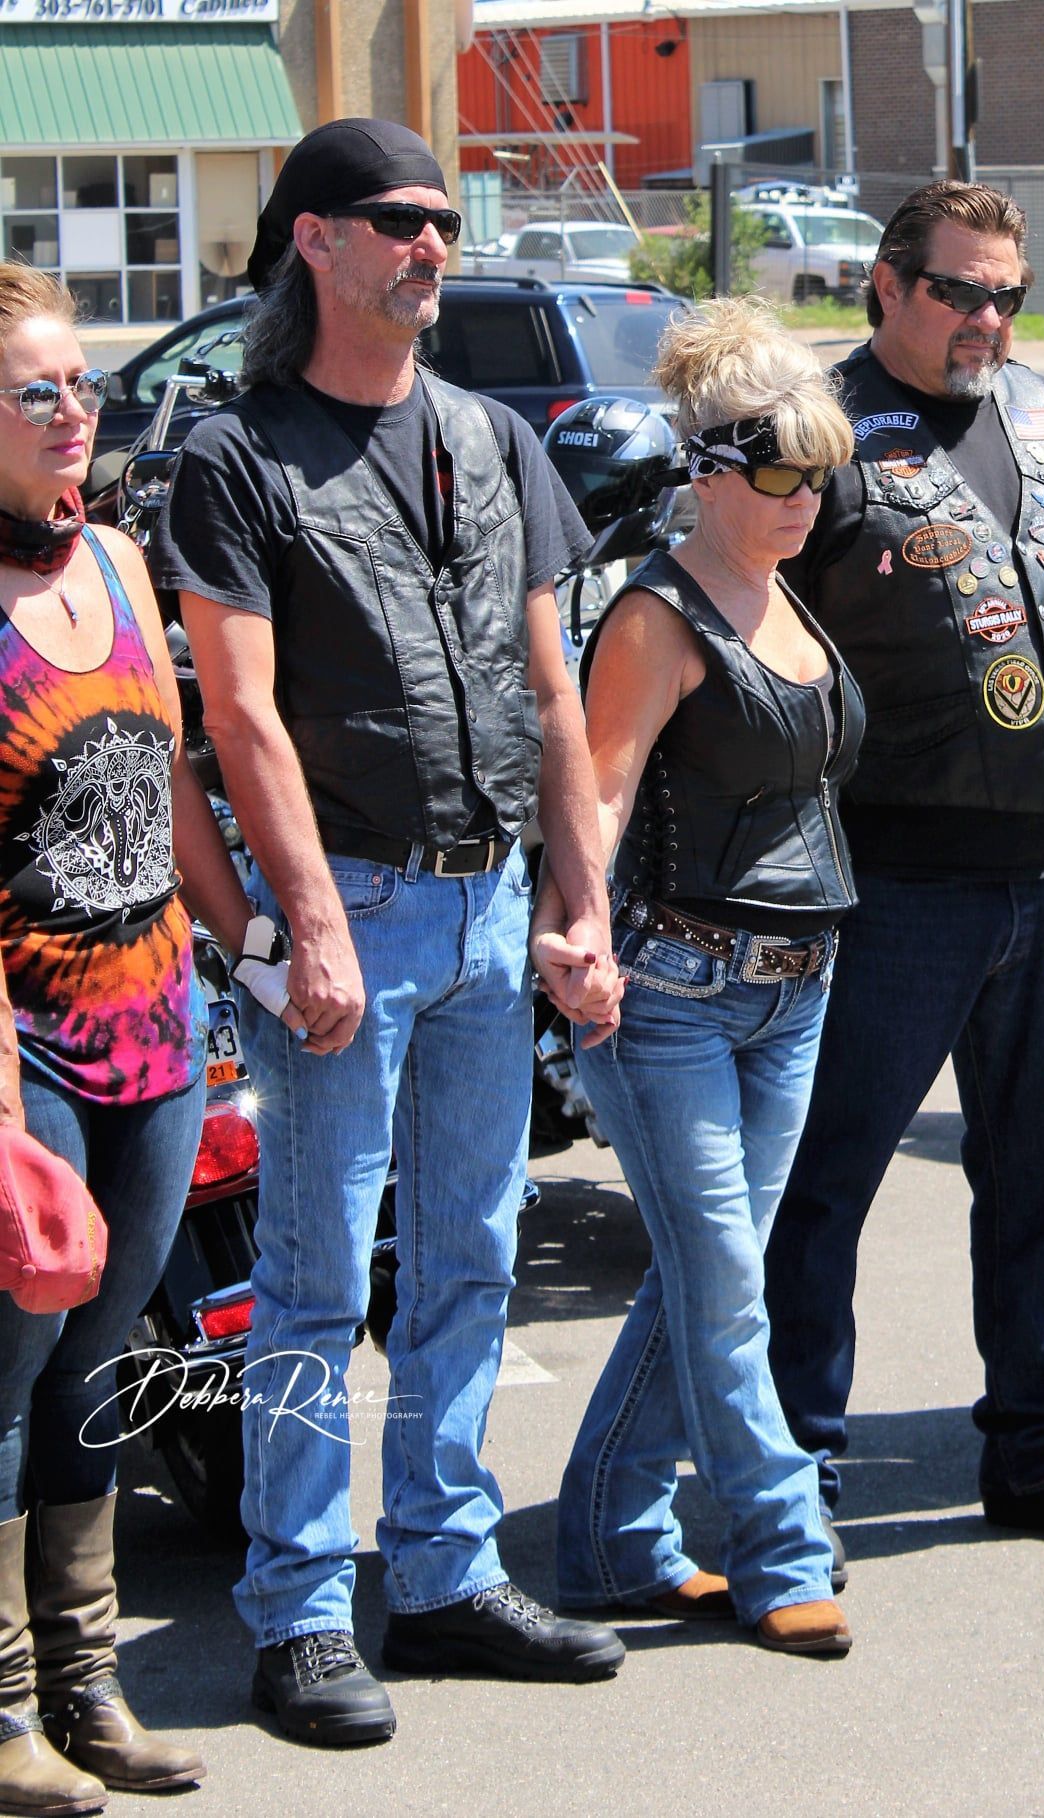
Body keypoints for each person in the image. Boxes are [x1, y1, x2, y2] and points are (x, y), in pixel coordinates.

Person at [153, 119, 626, 1747]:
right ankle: (296, 1608)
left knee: (474, 1252)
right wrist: (304, 923)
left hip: (495, 901)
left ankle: (439, 1571)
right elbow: (241, 715)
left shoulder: (494, 439)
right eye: (394, 220)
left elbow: (551, 690)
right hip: (348, 903)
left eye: (438, 220)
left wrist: (579, 902)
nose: (429, 244)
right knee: (306, 1278)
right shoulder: (235, 452)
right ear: (313, 243)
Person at [763, 178, 1044, 1556]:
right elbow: (724, 634)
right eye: (961, 291)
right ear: (886, 285)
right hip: (892, 889)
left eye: (1008, 290)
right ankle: (795, 1473)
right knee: (822, 1190)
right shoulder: (812, 434)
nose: (989, 317)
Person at [552, 299, 861, 1657]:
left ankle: (612, 1536)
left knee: (704, 1276)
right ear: (713, 469)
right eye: (783, 470)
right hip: (671, 988)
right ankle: (782, 1542)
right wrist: (579, 937)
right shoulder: (656, 610)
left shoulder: (781, 581)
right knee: (726, 1280)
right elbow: (599, 792)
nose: (808, 497)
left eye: (820, 469)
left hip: (796, 985)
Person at [0, 264, 254, 1809]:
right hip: (26, 1043)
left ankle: (88, 1686)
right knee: (6, 1362)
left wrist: (257, 945)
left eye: (82, 384)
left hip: (157, 1022)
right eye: (39, 390)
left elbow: (168, 789)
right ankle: (5, 1707)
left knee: (104, 1359)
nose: (75, 410)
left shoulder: (115, 556)